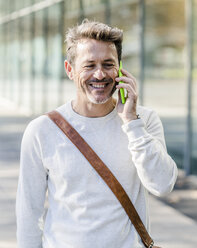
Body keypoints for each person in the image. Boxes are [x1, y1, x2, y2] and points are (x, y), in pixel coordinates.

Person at [16, 20, 178, 248]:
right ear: (70, 70)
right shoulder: (41, 130)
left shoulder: (144, 121)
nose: (100, 74)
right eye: (89, 65)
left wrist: (131, 122)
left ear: (120, 69)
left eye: (108, 64)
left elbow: (162, 185)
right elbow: (28, 214)